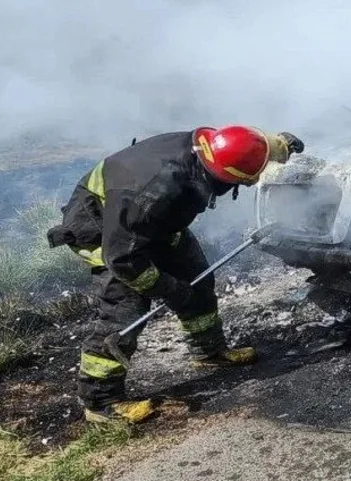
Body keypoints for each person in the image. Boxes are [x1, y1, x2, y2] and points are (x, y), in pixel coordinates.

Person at [46, 125, 304, 424]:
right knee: (124, 313)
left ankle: (208, 352)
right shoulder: (153, 196)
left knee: (198, 277)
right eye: (246, 182)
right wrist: (169, 289)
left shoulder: (210, 146)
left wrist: (280, 146)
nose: (252, 183)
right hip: (104, 232)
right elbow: (123, 259)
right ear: (224, 176)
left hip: (154, 226)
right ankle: (101, 402)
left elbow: (247, 147)